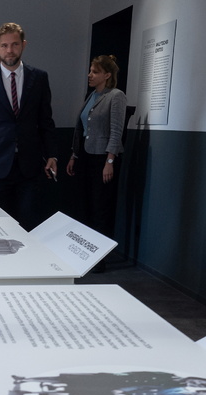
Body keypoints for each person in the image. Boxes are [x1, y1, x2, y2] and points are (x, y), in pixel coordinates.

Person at [0, 23, 57, 231]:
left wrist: (52, 154)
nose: (10, 50)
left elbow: (46, 121)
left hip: (29, 165)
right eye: (5, 45)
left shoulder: (40, 78)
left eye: (15, 44)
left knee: (29, 223)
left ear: (23, 45)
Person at [66, 55, 126, 271]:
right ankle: (84, 252)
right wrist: (74, 155)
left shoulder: (116, 96)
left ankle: (99, 259)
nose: (90, 75)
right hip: (85, 156)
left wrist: (110, 159)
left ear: (107, 75)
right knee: (84, 205)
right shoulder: (91, 95)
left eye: (95, 71)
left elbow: (116, 130)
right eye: (90, 71)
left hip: (102, 158)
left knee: (101, 207)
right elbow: (81, 129)